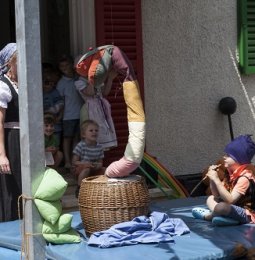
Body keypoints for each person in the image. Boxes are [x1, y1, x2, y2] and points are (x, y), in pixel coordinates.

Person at [192, 135, 255, 226]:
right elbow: (216, 195)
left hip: (247, 213)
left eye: (228, 155)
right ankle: (228, 218)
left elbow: (230, 200)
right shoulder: (229, 173)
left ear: (238, 159)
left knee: (221, 207)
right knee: (210, 198)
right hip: (234, 208)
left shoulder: (244, 178)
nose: (224, 157)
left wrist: (216, 180)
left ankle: (209, 216)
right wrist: (212, 180)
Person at [0, 43, 21, 221]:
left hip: (24, 140)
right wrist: (2, 155)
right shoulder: (3, 85)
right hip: (11, 140)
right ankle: (11, 229)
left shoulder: (23, 85)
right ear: (9, 63)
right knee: (11, 187)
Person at [75, 68, 118, 150]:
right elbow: (90, 93)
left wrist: (110, 79)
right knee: (90, 132)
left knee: (100, 134)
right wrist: (91, 79)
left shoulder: (97, 80)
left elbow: (105, 92)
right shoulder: (79, 82)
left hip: (100, 109)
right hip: (89, 109)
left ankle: (99, 159)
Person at [56, 55, 83, 170]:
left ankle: (74, 161)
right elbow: (60, 102)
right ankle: (67, 161)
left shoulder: (79, 79)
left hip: (80, 113)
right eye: (62, 66)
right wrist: (60, 115)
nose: (64, 68)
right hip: (68, 116)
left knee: (77, 138)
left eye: (66, 65)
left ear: (72, 65)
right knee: (67, 138)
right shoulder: (61, 83)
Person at [72, 119, 104, 198]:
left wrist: (98, 165)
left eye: (96, 130)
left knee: (105, 170)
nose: (94, 132)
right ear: (83, 134)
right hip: (81, 169)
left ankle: (102, 189)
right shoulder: (81, 145)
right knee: (86, 169)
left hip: (93, 168)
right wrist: (84, 164)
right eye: (91, 130)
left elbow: (100, 162)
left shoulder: (99, 147)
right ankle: (79, 189)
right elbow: (74, 162)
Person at [42, 69, 64, 144]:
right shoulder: (38, 93)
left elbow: (61, 104)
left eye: (53, 83)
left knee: (55, 143)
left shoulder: (55, 92)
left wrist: (57, 114)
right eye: (47, 83)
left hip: (55, 124)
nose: (50, 85)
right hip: (43, 125)